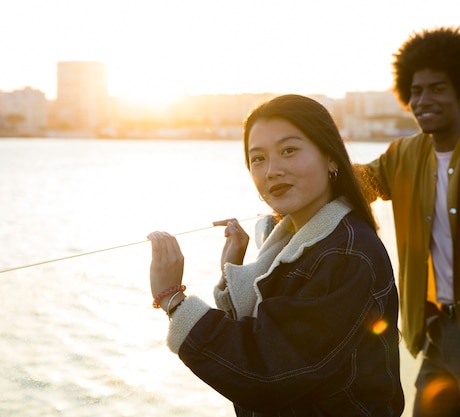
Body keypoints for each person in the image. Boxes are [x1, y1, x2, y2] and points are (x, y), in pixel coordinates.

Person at [147, 94, 405, 416]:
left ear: (331, 158)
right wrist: (233, 269)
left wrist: (173, 299)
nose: (272, 171)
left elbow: (268, 372)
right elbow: (269, 341)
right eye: (258, 159)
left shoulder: (347, 254)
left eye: (289, 151)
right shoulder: (297, 240)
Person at [355, 27, 460, 417]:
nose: (423, 100)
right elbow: (358, 185)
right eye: (416, 90)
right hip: (436, 329)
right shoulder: (403, 154)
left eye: (437, 88)